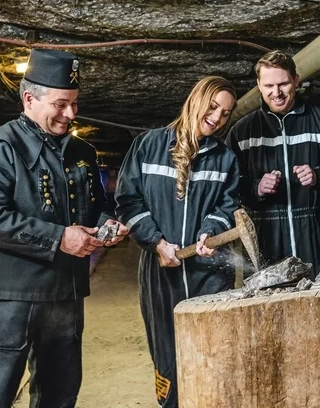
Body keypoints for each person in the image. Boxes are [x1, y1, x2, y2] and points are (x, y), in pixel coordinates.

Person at [0, 48, 128, 408]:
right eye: (60, 104)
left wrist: (107, 225)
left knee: (60, 394)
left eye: (74, 103)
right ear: (29, 98)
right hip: (11, 295)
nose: (70, 114)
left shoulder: (82, 152)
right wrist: (60, 238)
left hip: (65, 293)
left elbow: (97, 206)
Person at [114, 76, 239, 408]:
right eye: (213, 107)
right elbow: (128, 201)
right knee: (168, 357)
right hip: (161, 272)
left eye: (225, 114)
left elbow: (227, 205)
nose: (217, 117)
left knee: (211, 355)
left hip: (209, 273)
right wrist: (156, 243)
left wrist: (210, 232)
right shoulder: (148, 145)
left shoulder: (224, 158)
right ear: (195, 99)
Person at [226, 50, 320, 277]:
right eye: (268, 86)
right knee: (270, 309)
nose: (276, 93)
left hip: (312, 234)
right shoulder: (242, 131)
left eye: (283, 84)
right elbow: (228, 186)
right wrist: (256, 187)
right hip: (266, 237)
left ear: (296, 80)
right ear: (258, 84)